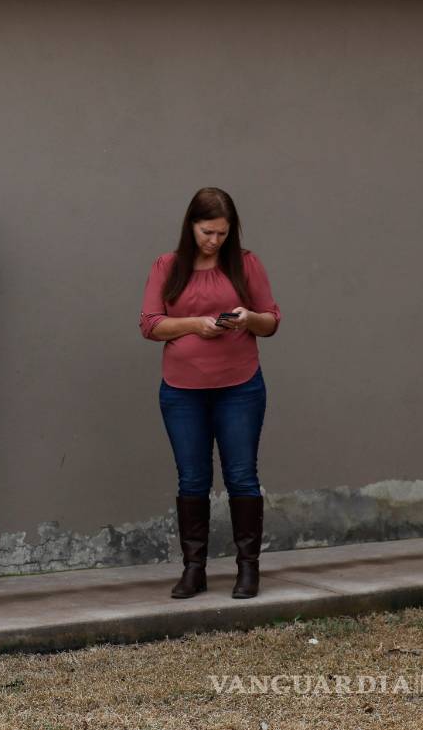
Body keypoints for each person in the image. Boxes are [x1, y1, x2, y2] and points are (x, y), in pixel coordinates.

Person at [140, 187, 281, 600]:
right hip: (182, 392)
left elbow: (271, 321)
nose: (214, 240)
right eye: (207, 232)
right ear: (191, 225)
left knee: (241, 475)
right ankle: (194, 569)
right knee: (193, 478)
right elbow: (150, 324)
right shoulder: (168, 266)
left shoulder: (246, 264)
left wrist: (248, 318)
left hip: (240, 387)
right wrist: (195, 324)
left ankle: (248, 568)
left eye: (222, 233)